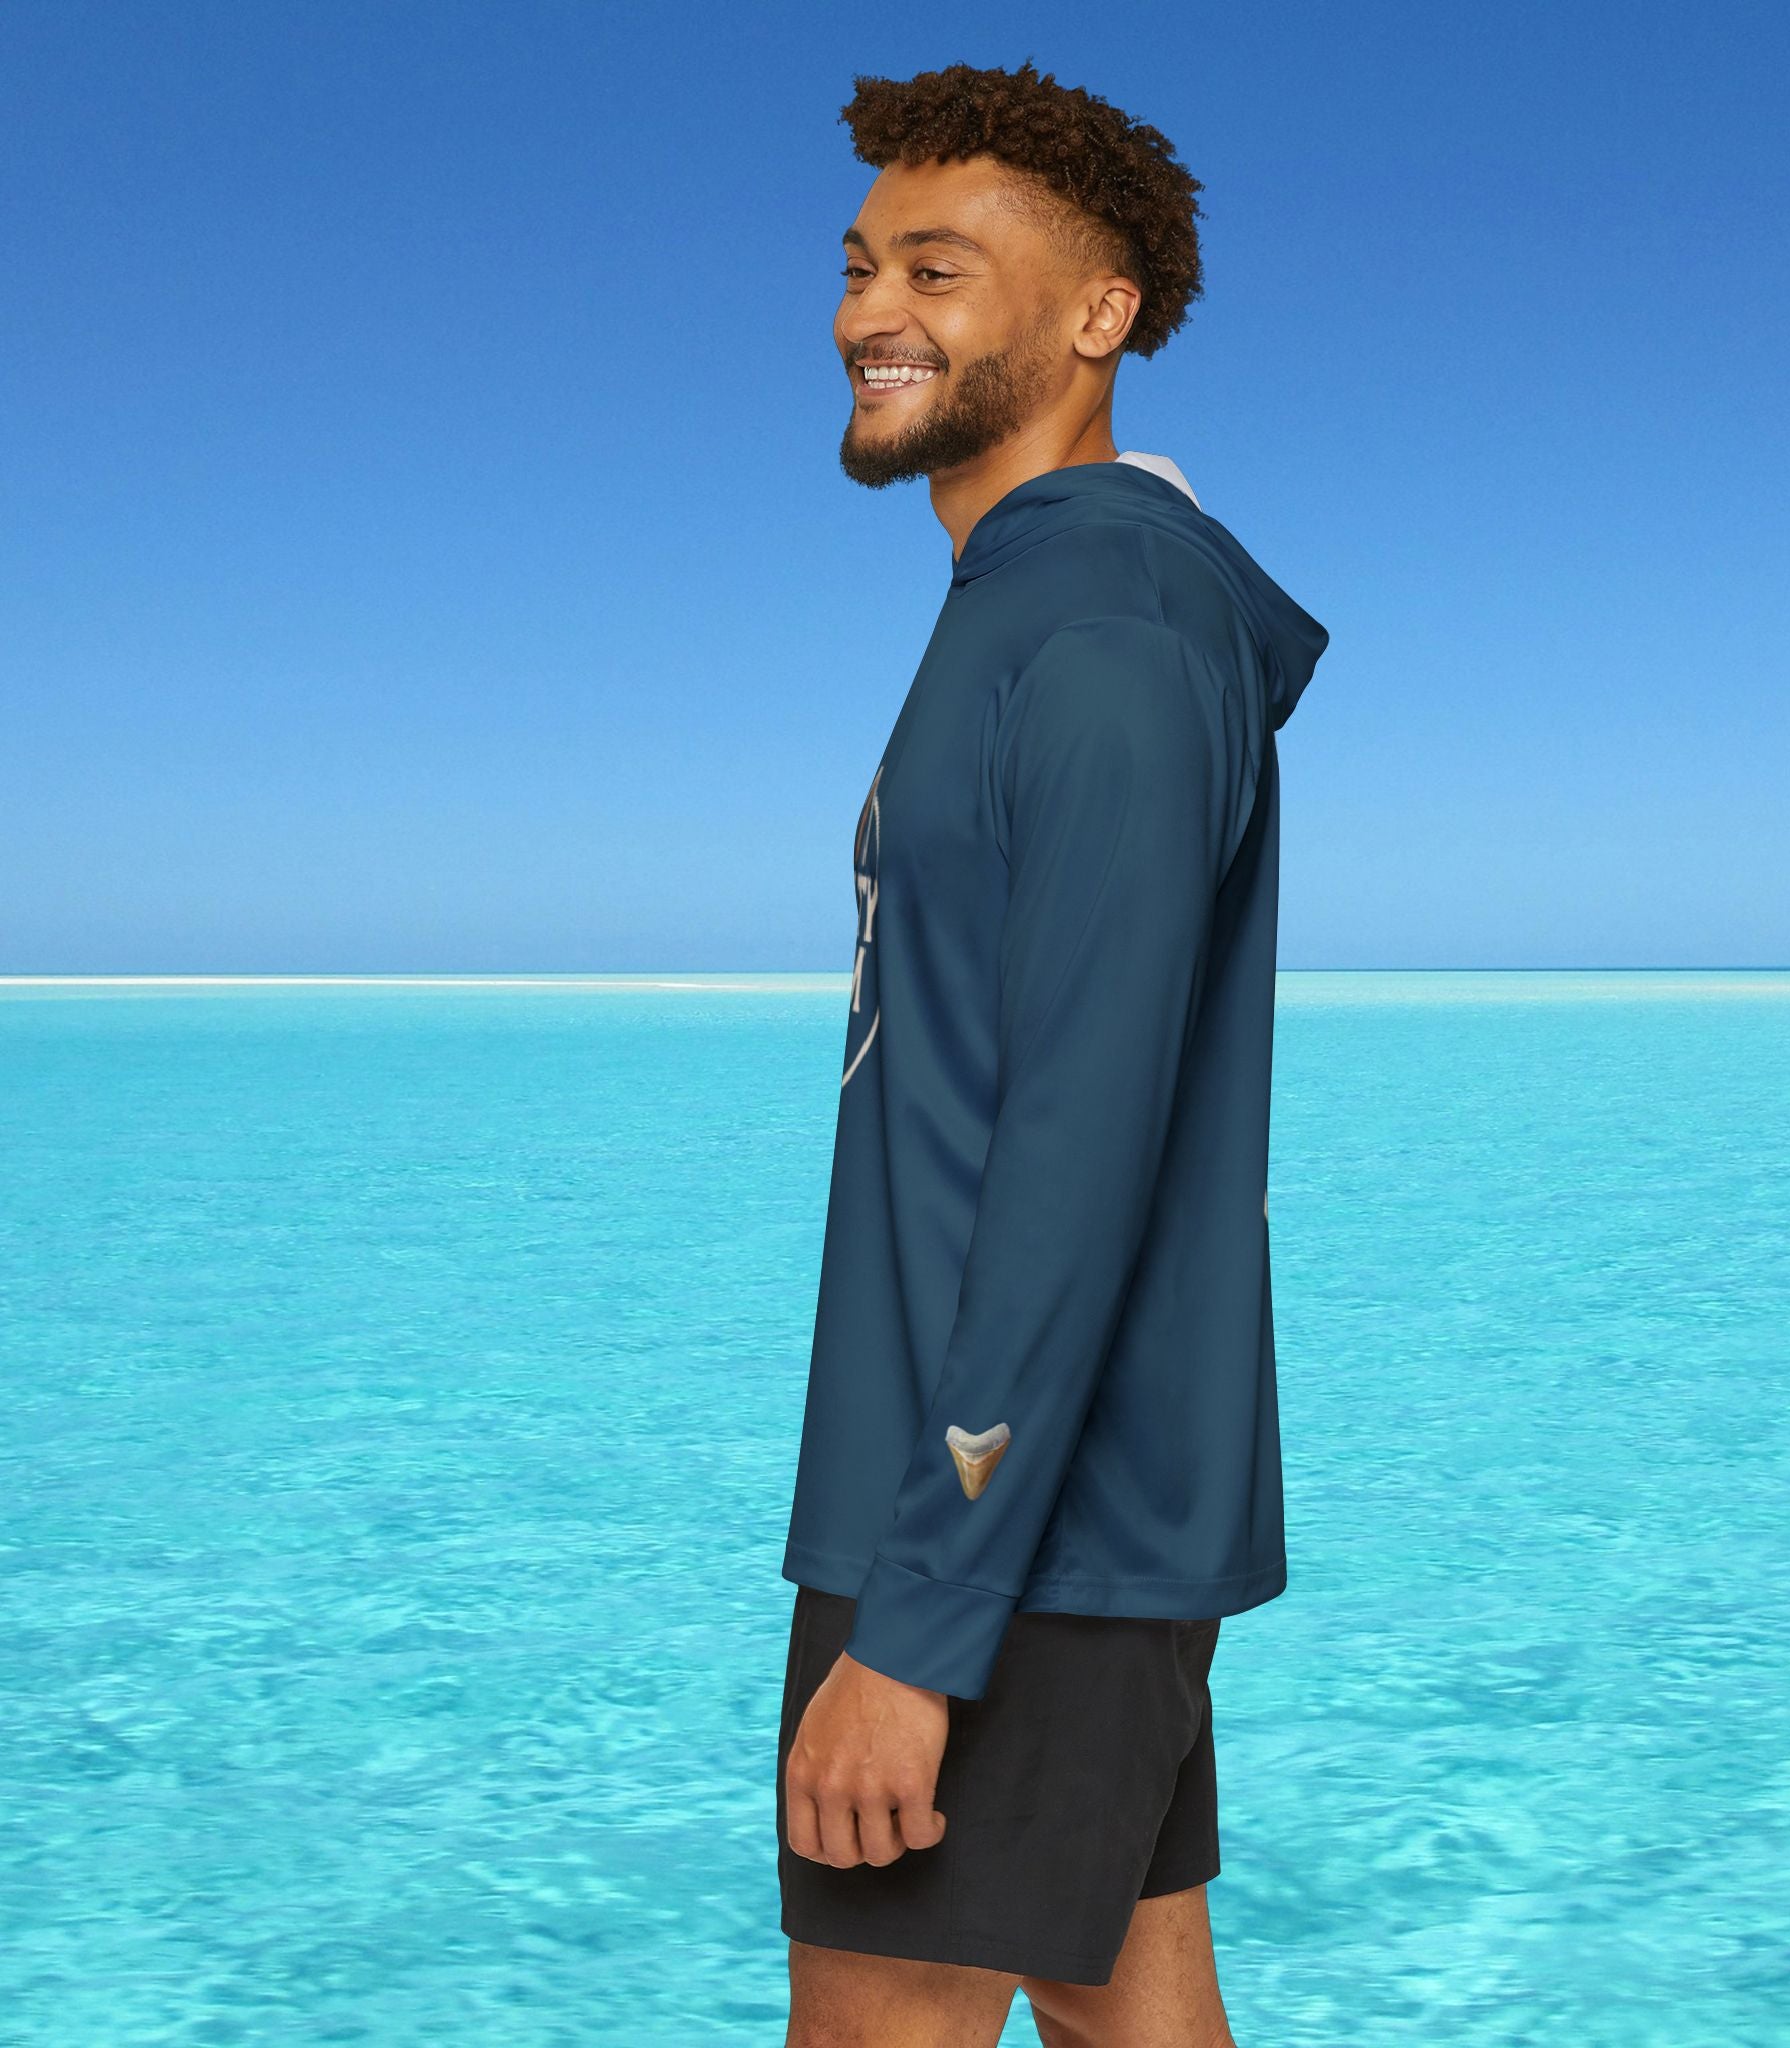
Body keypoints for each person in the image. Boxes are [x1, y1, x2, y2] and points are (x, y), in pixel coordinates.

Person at [775, 58, 1330, 2048]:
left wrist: (919, 1628)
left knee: (879, 2024)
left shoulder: (1092, 635)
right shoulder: (1044, 608)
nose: (866, 311)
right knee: (1132, 2004)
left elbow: (1077, 1150)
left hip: (999, 1535)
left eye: (936, 267)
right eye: (856, 265)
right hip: (1068, 1524)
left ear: (1098, 318)